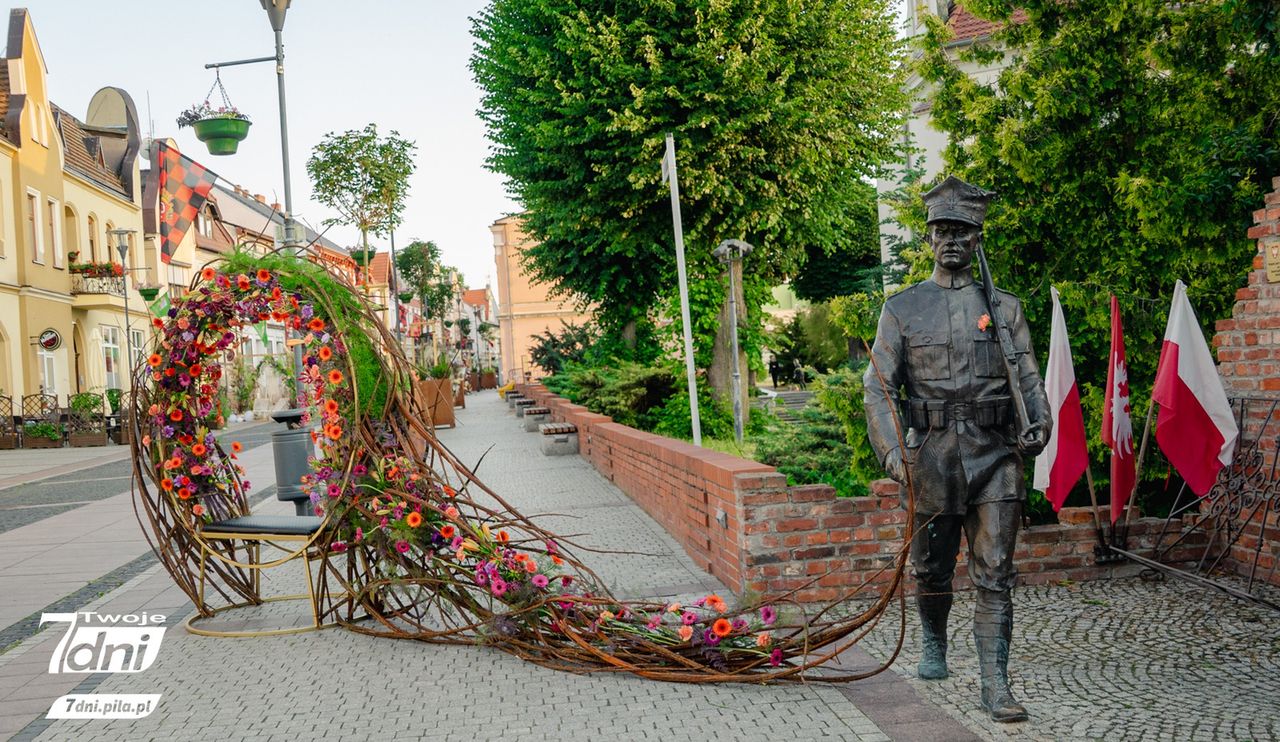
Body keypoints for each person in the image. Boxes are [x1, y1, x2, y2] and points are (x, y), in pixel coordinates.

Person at [862, 175, 1049, 723]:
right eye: (941, 230)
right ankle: (933, 643)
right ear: (928, 238)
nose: (951, 240)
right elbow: (879, 386)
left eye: (962, 232)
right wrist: (895, 452)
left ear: (976, 240)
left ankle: (996, 684)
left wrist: (1039, 423)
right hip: (934, 457)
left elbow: (1031, 380)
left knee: (995, 571)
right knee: (931, 570)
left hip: (996, 456)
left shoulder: (1005, 308)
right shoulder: (902, 308)